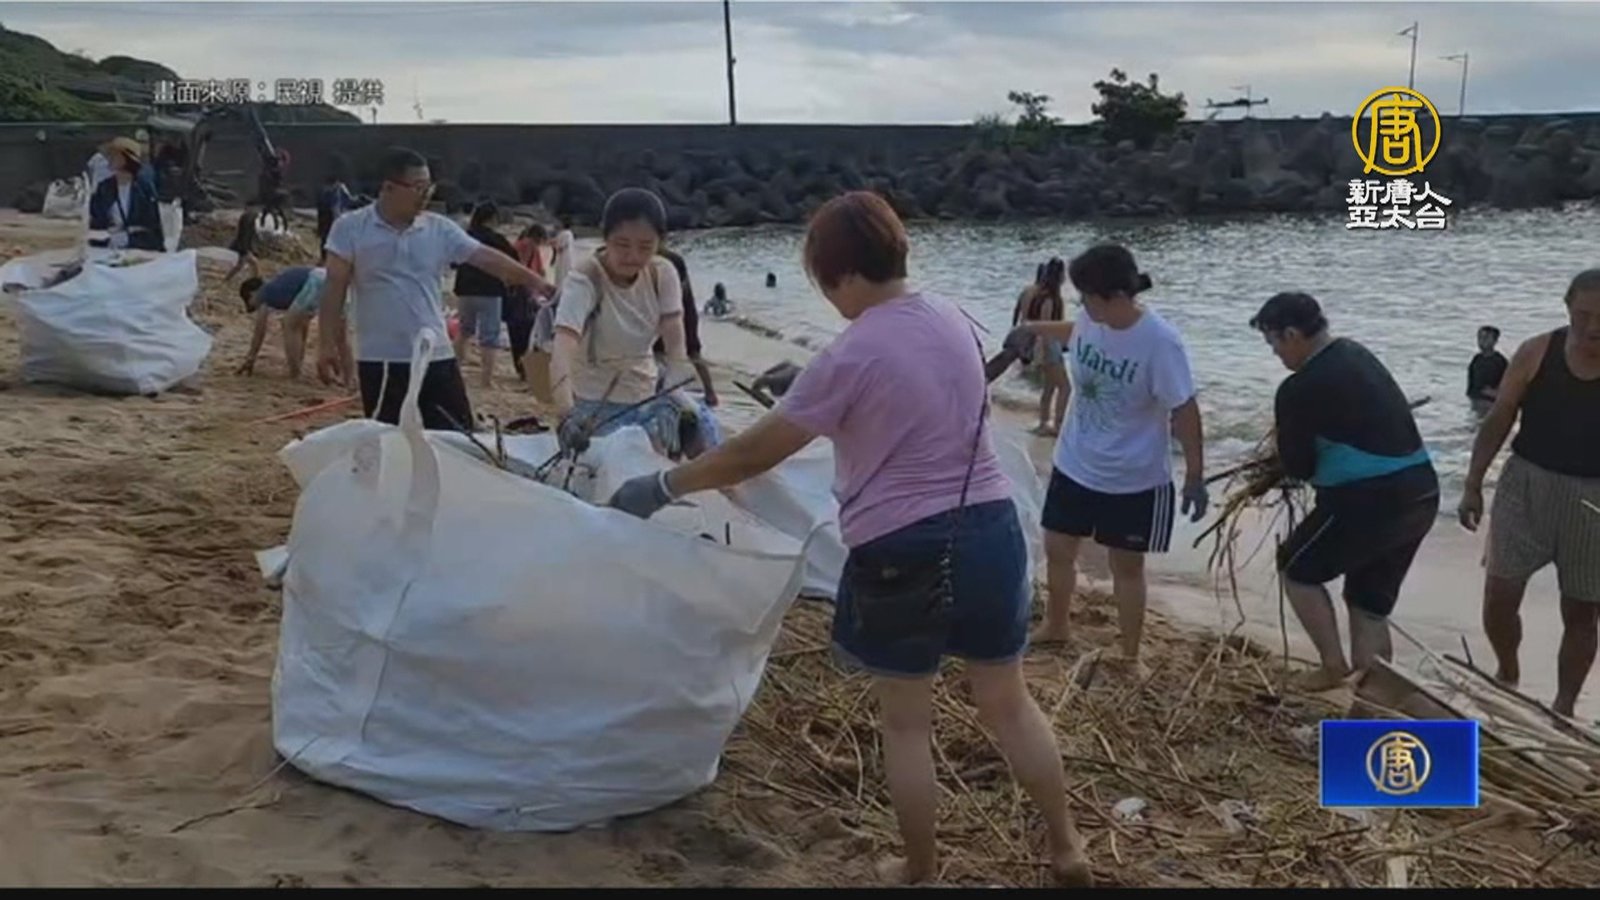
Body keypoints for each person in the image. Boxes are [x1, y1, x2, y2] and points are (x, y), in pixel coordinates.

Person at [604, 191, 1091, 887]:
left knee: (907, 724)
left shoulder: (851, 352)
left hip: (903, 546)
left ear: (843, 275)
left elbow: (751, 456)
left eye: (825, 283)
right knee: (1009, 702)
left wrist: (661, 487)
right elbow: (940, 391)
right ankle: (1067, 847)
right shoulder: (950, 314)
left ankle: (919, 869)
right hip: (990, 525)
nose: (830, 299)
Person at [1008, 244, 1207, 670]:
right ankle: (1057, 625)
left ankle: (1130, 654)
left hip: (1132, 477)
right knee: (1059, 549)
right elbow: (1075, 331)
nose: (1082, 304)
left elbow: (1184, 410)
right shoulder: (1091, 318)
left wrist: (1195, 475)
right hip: (1075, 461)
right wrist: (1034, 329)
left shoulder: (1160, 343)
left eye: (1087, 297)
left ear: (1115, 296)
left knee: (1127, 568)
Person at [1250, 293, 1440, 692]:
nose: (1276, 355)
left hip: (1367, 500)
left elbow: (1300, 467)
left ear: (1291, 334)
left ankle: (1332, 666)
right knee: (1369, 603)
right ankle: (1375, 698)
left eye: (1274, 345)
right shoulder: (1356, 353)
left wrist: (1283, 464)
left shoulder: (1298, 388)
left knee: (1296, 567)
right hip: (1421, 492)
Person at [315, 146, 554, 427]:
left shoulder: (439, 228)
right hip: (383, 358)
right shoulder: (350, 228)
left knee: (456, 435)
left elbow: (486, 257)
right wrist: (326, 344)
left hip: (437, 353)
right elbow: (334, 288)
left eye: (428, 187)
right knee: (390, 442)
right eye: (417, 187)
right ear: (389, 187)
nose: (426, 195)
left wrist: (537, 282)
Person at [1460, 270, 1600, 717]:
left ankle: (1563, 705)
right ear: (1567, 308)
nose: (1594, 326)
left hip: (1594, 498)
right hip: (1526, 483)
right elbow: (1499, 419)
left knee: (1581, 610)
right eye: (1584, 315)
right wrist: (1472, 484)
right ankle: (1507, 670)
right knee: (1499, 595)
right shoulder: (1536, 351)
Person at [548, 188, 714, 460]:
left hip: (647, 392)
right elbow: (561, 350)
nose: (633, 256)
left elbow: (675, 336)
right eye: (622, 245)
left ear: (660, 242)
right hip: (594, 400)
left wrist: (675, 381)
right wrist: (566, 414)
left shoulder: (663, 273)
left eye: (645, 247)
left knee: (702, 439)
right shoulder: (585, 280)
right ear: (605, 237)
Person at [451, 201, 520, 389]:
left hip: (465, 290)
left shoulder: (465, 236)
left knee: (464, 331)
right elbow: (514, 259)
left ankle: (454, 373)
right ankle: (486, 380)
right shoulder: (497, 240)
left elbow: (453, 262)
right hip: (490, 291)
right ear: (493, 219)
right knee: (489, 337)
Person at [236, 266, 349, 379]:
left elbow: (259, 332)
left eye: (249, 301)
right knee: (338, 335)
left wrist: (251, 357)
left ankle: (295, 373)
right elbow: (303, 324)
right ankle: (349, 377)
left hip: (314, 281)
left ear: (252, 293)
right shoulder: (279, 285)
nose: (253, 305)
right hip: (328, 277)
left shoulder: (265, 294)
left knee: (289, 324)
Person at [654, 246, 719, 407]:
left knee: (693, 352)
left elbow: (680, 289)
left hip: (681, 311)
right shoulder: (654, 261)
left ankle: (710, 392)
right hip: (660, 311)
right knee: (655, 353)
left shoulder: (671, 260)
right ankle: (660, 390)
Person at [1013, 258, 1070, 435]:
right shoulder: (1050, 299)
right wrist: (1043, 353)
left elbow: (1020, 317)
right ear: (1059, 276)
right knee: (1065, 387)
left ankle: (1044, 423)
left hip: (1046, 346)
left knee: (1049, 387)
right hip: (1049, 347)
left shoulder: (1038, 294)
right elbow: (1045, 328)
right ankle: (1057, 425)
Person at [88, 137, 164, 252]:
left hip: (137, 250)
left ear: (127, 159)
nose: (110, 158)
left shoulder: (144, 188)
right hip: (107, 248)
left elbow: (153, 228)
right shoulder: (104, 188)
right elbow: (96, 222)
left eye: (115, 155)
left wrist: (128, 238)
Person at [1468, 325, 1509, 417]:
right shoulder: (1476, 360)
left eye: (1486, 338)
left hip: (1491, 401)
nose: (1482, 341)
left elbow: (1508, 382)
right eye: (1479, 338)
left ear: (1495, 341)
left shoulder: (1500, 361)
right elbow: (1471, 384)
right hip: (1476, 400)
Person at [221, 206, 263, 285]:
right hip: (243, 247)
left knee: (240, 265)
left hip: (242, 246)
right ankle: (258, 280)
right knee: (254, 263)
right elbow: (246, 238)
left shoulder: (247, 225)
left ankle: (226, 279)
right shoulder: (247, 226)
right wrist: (247, 249)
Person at [316, 174, 357, 257]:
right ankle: (328, 256)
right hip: (331, 218)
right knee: (331, 238)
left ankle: (326, 257)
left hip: (328, 218)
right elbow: (348, 201)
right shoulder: (338, 190)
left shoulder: (325, 192)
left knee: (327, 238)